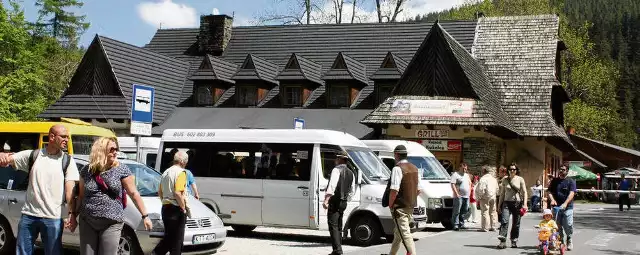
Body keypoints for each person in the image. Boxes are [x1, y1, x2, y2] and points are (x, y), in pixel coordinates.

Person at [0, 124, 79, 255]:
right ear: (52, 137)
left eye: (67, 137)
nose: (67, 140)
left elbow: (70, 190)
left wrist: (72, 214)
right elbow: (6, 159)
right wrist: (2, 154)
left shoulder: (68, 161)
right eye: (63, 136)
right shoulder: (34, 155)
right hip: (29, 215)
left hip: (53, 218)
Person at [71, 137, 152, 255]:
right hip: (87, 220)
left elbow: (134, 193)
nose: (115, 152)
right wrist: (73, 215)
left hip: (111, 222)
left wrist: (145, 216)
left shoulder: (121, 169)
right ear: (101, 150)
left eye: (116, 149)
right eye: (112, 149)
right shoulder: (86, 170)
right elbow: (81, 196)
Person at [154, 151, 190, 255]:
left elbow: (160, 192)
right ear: (182, 161)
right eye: (186, 161)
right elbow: (178, 192)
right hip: (176, 208)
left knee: (169, 237)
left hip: (166, 207)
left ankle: (156, 253)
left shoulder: (165, 172)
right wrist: (183, 207)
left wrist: (165, 201)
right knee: (177, 241)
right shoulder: (181, 172)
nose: (186, 164)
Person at [386, 145, 419, 255]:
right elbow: (419, 190)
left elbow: (394, 190)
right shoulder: (414, 168)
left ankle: (412, 253)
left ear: (396, 155)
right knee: (398, 233)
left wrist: (391, 204)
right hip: (410, 206)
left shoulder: (397, 168)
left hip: (399, 206)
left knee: (404, 233)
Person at [322, 151, 355, 255]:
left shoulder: (336, 170)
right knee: (339, 225)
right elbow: (352, 190)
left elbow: (331, 187)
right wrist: (345, 200)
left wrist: (326, 200)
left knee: (333, 226)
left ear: (340, 159)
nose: (335, 160)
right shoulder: (351, 172)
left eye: (337, 158)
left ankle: (337, 250)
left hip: (335, 201)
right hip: (343, 202)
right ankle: (338, 249)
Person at [497, 163, 527, 249]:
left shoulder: (520, 179)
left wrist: (525, 204)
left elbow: (525, 192)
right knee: (504, 221)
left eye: (514, 169)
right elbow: (502, 193)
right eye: (510, 169)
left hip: (517, 204)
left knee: (516, 223)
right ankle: (502, 242)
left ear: (516, 170)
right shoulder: (505, 180)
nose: (512, 171)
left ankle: (514, 240)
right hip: (506, 203)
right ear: (508, 170)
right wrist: (499, 206)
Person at [547, 165, 576, 251]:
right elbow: (549, 191)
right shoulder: (554, 181)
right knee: (557, 226)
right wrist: (552, 200)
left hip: (568, 207)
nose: (561, 171)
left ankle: (569, 239)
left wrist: (565, 203)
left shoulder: (571, 181)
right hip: (556, 207)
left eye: (563, 170)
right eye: (560, 169)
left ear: (567, 171)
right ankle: (560, 241)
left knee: (568, 224)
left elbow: (572, 193)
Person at [476, 165, 499, 232]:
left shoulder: (483, 179)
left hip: (485, 197)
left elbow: (481, 189)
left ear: (484, 171)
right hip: (493, 197)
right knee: (493, 212)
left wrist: (479, 197)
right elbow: (497, 189)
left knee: (485, 212)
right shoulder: (494, 179)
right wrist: (495, 194)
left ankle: (485, 227)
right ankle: (493, 226)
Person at [450, 162, 471, 231]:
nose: (464, 170)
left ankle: (461, 223)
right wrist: (456, 194)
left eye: (465, 168)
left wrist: (469, 192)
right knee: (457, 210)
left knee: (465, 210)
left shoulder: (467, 175)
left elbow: (470, 184)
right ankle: (455, 224)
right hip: (459, 196)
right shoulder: (455, 175)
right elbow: (453, 184)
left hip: (466, 196)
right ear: (460, 168)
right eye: (463, 168)